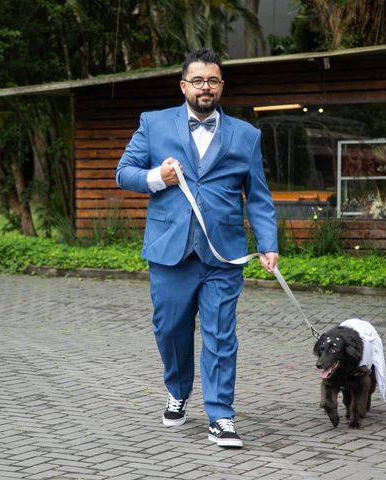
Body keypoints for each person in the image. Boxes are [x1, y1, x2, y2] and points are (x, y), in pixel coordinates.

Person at [115, 48, 278, 448]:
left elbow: (257, 196)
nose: (206, 87)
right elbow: (124, 173)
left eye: (213, 80)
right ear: (184, 85)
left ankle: (220, 416)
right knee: (169, 330)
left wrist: (269, 245)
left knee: (221, 335)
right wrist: (159, 176)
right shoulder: (153, 125)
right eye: (198, 80)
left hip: (224, 255)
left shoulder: (247, 134)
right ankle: (178, 389)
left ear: (222, 86)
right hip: (170, 251)